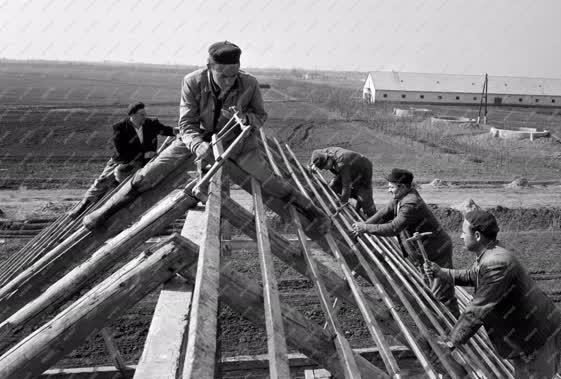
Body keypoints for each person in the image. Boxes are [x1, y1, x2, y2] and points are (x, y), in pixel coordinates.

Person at [83, 41, 330, 236]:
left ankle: (313, 212)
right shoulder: (192, 82)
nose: (229, 80)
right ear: (209, 67)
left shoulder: (250, 84)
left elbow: (260, 115)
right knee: (152, 172)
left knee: (266, 178)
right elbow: (186, 123)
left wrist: (247, 119)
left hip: (236, 139)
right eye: (223, 75)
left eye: (234, 74)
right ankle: (106, 211)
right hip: (197, 137)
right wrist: (198, 145)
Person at [424, 209, 561, 379]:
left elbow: (477, 309)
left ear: (478, 236)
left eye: (463, 232)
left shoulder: (495, 263)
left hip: (535, 338)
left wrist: (452, 342)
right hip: (530, 334)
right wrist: (442, 273)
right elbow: (474, 275)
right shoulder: (491, 255)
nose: (461, 236)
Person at [351, 168, 459, 317]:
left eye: (391, 186)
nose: (389, 190)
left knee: (442, 293)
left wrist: (365, 228)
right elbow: (384, 213)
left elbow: (393, 228)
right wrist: (362, 226)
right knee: (430, 287)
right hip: (422, 251)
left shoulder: (411, 204)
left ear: (401, 186)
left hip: (436, 251)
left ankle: (456, 330)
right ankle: (448, 326)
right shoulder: (401, 197)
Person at [68, 102, 177, 218]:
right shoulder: (120, 127)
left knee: (130, 188)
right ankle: (82, 207)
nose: (145, 116)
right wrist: (143, 155)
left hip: (143, 164)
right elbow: (121, 151)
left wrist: (179, 130)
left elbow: (166, 130)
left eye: (145, 114)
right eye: (142, 114)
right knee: (102, 181)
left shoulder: (151, 123)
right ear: (133, 115)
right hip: (122, 161)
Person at [310, 147, 376, 218]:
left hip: (364, 170)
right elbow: (315, 152)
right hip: (348, 168)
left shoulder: (342, 163)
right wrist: (312, 164)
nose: (325, 169)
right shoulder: (324, 153)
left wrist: (343, 203)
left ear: (328, 159)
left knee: (364, 198)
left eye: (325, 166)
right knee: (332, 187)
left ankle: (374, 218)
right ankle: (353, 208)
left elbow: (346, 186)